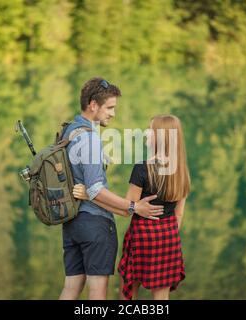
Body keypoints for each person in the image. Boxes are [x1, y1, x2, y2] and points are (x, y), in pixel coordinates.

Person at [59, 77, 164, 300]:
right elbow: (95, 189)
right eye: (110, 107)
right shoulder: (89, 138)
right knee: (97, 292)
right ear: (93, 104)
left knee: (71, 288)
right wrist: (134, 206)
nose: (113, 113)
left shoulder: (69, 131)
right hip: (95, 225)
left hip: (72, 223)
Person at [74, 114, 190, 300]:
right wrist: (165, 234)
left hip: (142, 237)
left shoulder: (142, 169)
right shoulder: (181, 171)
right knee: (161, 298)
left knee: (128, 292)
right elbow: (179, 215)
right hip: (169, 238)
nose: (146, 132)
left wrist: (90, 196)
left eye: (150, 130)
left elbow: (126, 209)